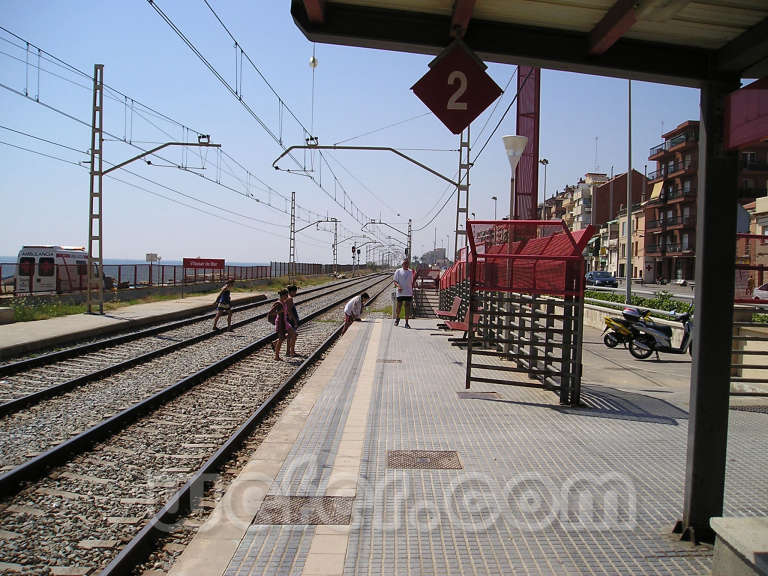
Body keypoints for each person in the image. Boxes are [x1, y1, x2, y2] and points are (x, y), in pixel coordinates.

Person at [393, 259, 414, 328]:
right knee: (399, 306)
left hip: (408, 292)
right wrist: (398, 286)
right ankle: (397, 318)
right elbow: (395, 281)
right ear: (402, 264)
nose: (406, 265)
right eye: (405, 263)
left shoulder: (411, 272)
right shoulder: (398, 271)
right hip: (400, 292)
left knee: (407, 307)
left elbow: (412, 282)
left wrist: (412, 290)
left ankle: (407, 322)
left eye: (407, 263)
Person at [286, 285, 300, 356]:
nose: (295, 293)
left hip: (289, 319)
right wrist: (295, 321)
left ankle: (288, 351)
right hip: (291, 320)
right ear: (292, 291)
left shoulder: (286, 297)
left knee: (289, 336)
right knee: (293, 336)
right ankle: (292, 351)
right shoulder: (290, 298)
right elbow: (289, 311)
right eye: (295, 292)